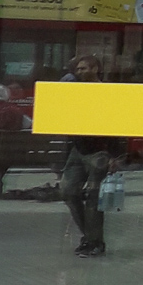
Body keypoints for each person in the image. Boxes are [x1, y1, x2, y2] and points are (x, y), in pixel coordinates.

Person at [59, 54, 113, 258]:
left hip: (99, 150)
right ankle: (90, 238)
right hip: (79, 148)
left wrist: (115, 155)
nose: (79, 72)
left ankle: (94, 242)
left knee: (93, 198)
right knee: (67, 191)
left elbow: (116, 123)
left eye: (84, 68)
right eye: (78, 69)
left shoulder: (105, 92)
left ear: (95, 69)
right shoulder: (76, 91)